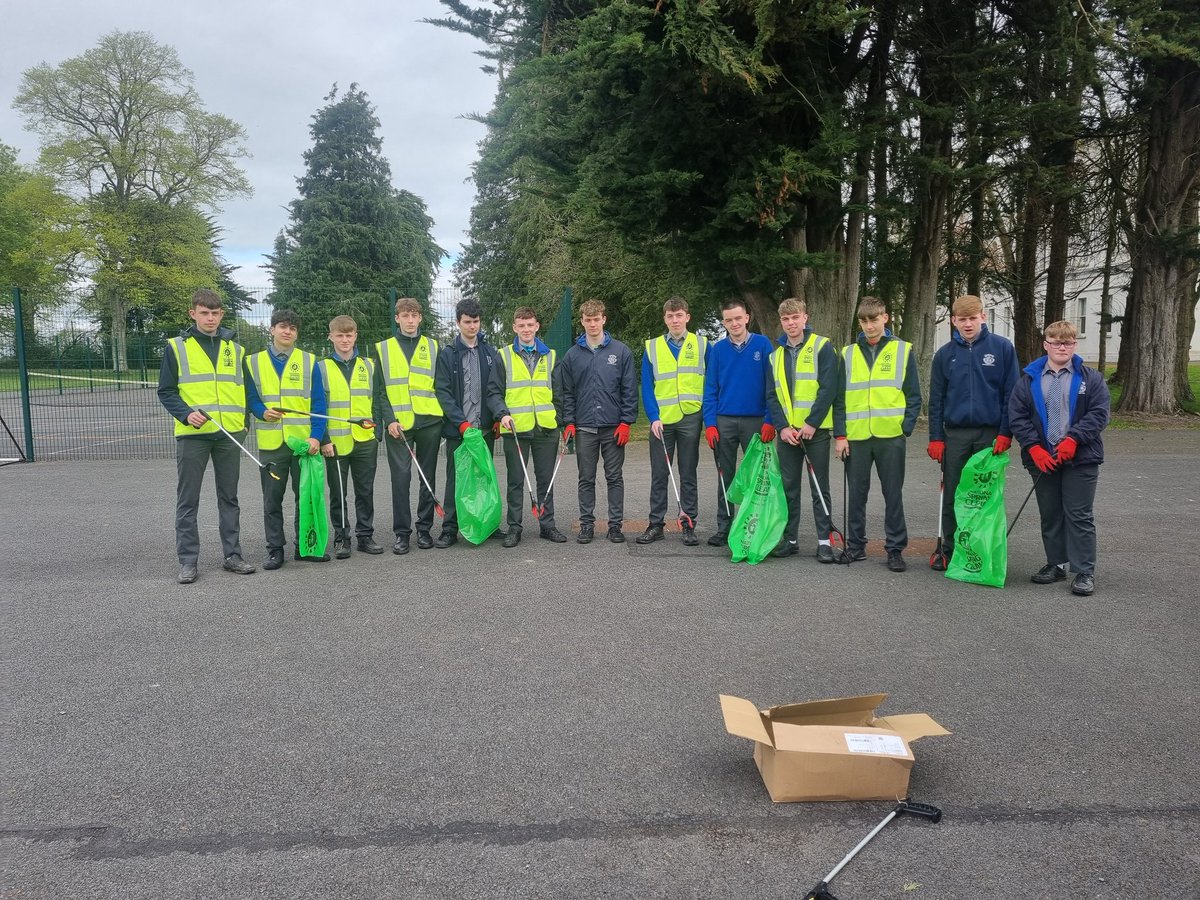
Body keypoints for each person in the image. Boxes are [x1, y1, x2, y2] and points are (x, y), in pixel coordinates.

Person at [156, 288, 256, 583]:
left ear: (221, 314)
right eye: (204, 313)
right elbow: (166, 391)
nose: (210, 318)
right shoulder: (176, 347)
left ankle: (233, 555)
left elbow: (245, 390)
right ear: (193, 314)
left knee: (230, 498)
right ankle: (188, 561)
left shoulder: (235, 349)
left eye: (215, 313)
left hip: (229, 435)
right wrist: (186, 414)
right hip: (193, 435)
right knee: (188, 500)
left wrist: (245, 423)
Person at [1007, 320, 1110, 597]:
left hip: (1081, 457)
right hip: (1043, 458)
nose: (1061, 347)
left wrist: (1074, 438)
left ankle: (1084, 570)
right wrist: (1034, 448)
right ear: (1046, 344)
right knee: (1050, 514)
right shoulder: (1028, 380)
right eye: (1056, 341)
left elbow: (1099, 414)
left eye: (1067, 342)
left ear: (1074, 345)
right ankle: (1056, 563)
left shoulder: (1091, 379)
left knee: (1079, 514)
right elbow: (1017, 416)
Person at [926, 294, 1020, 570]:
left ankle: (983, 548)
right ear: (954, 321)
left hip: (989, 435)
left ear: (983, 317)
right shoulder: (944, 355)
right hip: (955, 435)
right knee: (954, 493)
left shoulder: (1002, 349)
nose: (968, 324)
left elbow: (1011, 394)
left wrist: (1005, 432)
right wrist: (936, 437)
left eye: (972, 318)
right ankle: (950, 549)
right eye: (962, 319)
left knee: (985, 494)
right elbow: (937, 400)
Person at [834, 297, 922, 572]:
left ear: (885, 318)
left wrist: (904, 429)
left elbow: (914, 395)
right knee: (856, 495)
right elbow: (839, 399)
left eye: (874, 319)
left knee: (892, 494)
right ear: (859, 322)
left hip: (890, 436)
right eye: (864, 321)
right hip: (857, 437)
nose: (870, 325)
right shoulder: (847, 353)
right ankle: (856, 546)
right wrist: (840, 435)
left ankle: (895, 549)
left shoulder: (903, 350)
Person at [246, 309, 328, 567]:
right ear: (272, 330)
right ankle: (275, 550)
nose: (287, 331)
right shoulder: (253, 362)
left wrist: (316, 437)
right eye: (282, 326)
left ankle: (305, 546)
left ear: (296, 333)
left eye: (292, 328)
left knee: (306, 497)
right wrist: (261, 412)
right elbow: (250, 399)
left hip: (303, 444)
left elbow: (318, 404)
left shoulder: (310, 361)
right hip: (272, 444)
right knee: (272, 500)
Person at [556, 299, 638, 544]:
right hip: (584, 427)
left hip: (613, 426)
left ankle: (615, 526)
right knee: (586, 477)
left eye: (596, 319)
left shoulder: (620, 351)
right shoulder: (572, 355)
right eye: (588, 320)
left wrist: (626, 422)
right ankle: (587, 525)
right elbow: (566, 392)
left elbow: (629, 390)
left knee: (614, 477)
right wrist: (568, 421)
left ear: (604, 319)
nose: (592, 324)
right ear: (581, 321)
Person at [766, 298, 841, 563]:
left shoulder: (822, 346)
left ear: (805, 318)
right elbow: (771, 395)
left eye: (795, 318)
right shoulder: (774, 355)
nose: (791, 323)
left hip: (815, 431)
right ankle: (791, 539)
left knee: (819, 487)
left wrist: (812, 423)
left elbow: (828, 388)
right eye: (786, 319)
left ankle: (824, 542)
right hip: (788, 434)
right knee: (789, 488)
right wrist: (782, 427)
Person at [434, 298, 514, 548]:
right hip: (460, 431)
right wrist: (461, 424)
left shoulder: (490, 353)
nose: (472, 326)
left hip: (484, 429)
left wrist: (495, 419)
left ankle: (487, 524)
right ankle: (450, 529)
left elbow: (494, 390)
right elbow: (443, 393)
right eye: (467, 322)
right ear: (458, 322)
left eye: (476, 321)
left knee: (484, 478)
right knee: (455, 479)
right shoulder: (448, 354)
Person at [701, 298, 775, 546]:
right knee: (726, 475)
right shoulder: (718, 350)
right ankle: (725, 526)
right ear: (724, 322)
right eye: (728, 319)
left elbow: (773, 387)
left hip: (756, 421)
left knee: (756, 478)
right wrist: (710, 424)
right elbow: (710, 389)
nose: (734, 323)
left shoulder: (763, 345)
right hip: (725, 421)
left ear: (747, 317)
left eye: (738, 318)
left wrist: (770, 420)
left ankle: (754, 527)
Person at [374, 297, 444, 555]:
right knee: (401, 478)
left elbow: (440, 385)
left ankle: (424, 530)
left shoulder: (434, 346)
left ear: (420, 318)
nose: (410, 320)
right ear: (397, 319)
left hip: (429, 422)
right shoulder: (383, 348)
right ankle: (402, 533)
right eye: (406, 316)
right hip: (399, 425)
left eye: (414, 316)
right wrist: (389, 419)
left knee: (427, 478)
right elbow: (380, 391)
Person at [637, 297, 708, 547]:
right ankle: (656, 524)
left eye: (679, 315)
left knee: (688, 473)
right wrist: (653, 417)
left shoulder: (702, 345)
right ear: (664, 318)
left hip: (691, 417)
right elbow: (647, 386)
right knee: (659, 474)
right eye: (670, 316)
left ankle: (688, 523)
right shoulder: (652, 347)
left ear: (687, 317)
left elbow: (710, 384)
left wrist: (706, 417)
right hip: (662, 422)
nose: (675, 320)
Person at [496, 306, 569, 547]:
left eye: (530, 325)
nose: (526, 329)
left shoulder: (551, 356)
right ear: (514, 328)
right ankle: (514, 528)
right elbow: (493, 392)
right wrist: (502, 414)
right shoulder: (503, 355)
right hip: (515, 428)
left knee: (545, 479)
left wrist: (558, 420)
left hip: (546, 428)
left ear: (537, 326)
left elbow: (560, 392)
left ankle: (547, 525)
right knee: (516, 480)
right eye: (521, 325)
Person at [320, 315, 383, 559]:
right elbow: (318, 406)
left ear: (355, 336)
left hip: (365, 440)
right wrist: (324, 438)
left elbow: (376, 399)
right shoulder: (321, 367)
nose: (345, 340)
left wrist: (377, 433)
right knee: (338, 493)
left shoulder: (369, 365)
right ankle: (342, 538)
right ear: (331, 337)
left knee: (365, 491)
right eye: (340, 335)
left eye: (349, 335)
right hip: (335, 442)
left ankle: (365, 536)